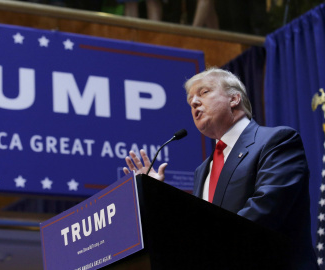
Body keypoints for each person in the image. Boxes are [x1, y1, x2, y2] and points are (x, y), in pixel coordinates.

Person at [123, 68, 318, 269]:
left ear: (234, 99)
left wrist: (204, 248)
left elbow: (265, 210)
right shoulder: (202, 170)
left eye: (204, 92)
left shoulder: (277, 141)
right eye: (190, 101)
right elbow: (197, 226)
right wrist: (156, 194)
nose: (194, 102)